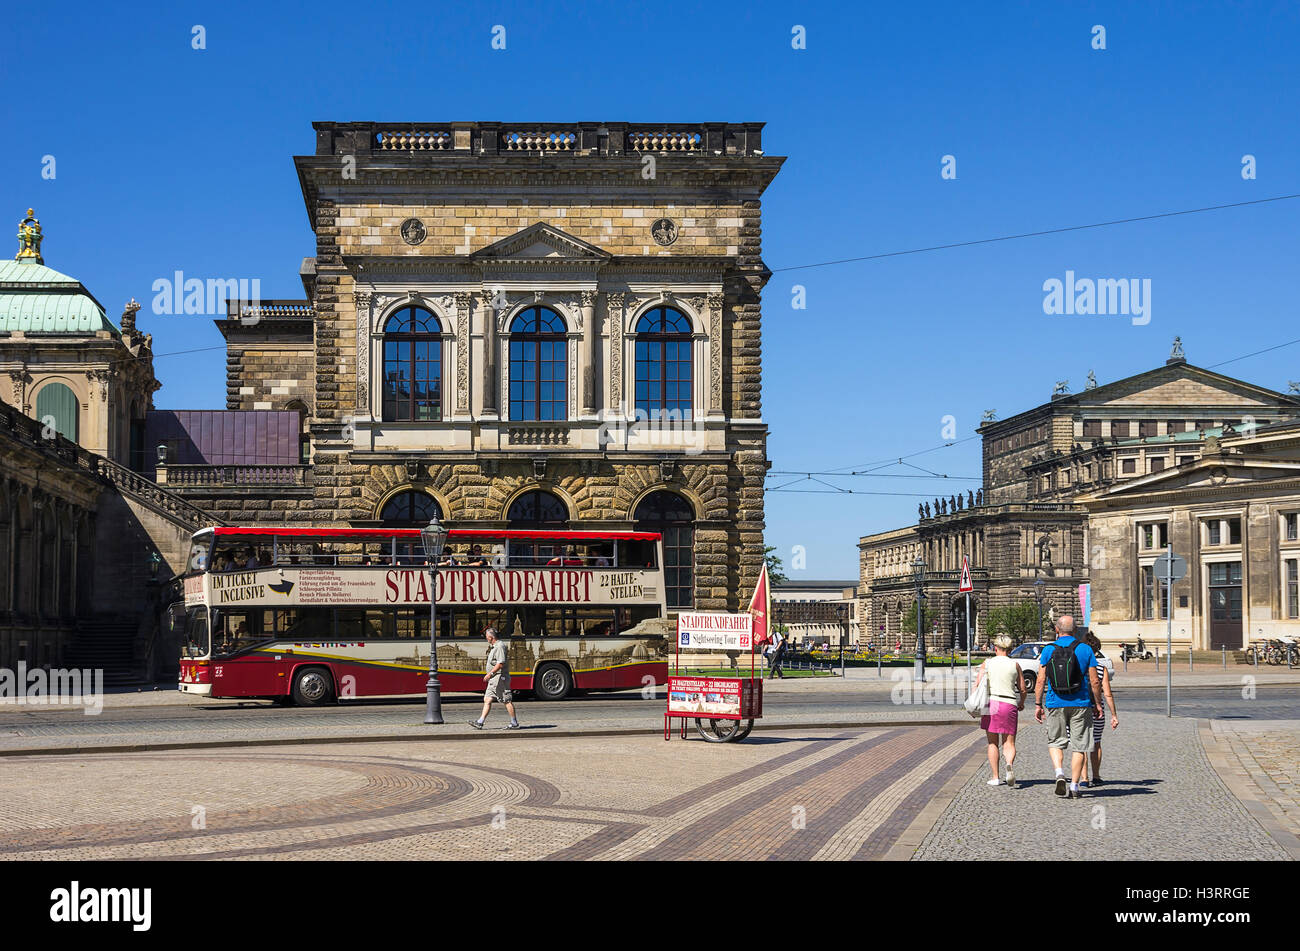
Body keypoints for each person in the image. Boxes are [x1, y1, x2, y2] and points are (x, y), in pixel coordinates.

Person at [1033, 615, 1103, 799]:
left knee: (1055, 741)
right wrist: (1097, 703)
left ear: (1057, 629)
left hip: (1055, 702)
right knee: (1079, 745)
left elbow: (1040, 680)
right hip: (1081, 703)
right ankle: (1074, 786)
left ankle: (1059, 774)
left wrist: (1038, 704)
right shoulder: (1085, 649)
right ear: (1075, 630)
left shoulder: (1048, 650)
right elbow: (1095, 681)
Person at [971, 633, 1026, 787]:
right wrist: (1021, 702)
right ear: (1010, 649)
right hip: (1009, 704)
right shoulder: (1015, 665)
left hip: (991, 704)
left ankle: (995, 777)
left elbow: (977, 685)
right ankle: (1009, 764)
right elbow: (1022, 688)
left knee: (992, 742)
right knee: (1009, 743)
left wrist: (974, 704)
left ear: (995, 648)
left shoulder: (987, 663)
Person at [1084, 631, 1119, 785]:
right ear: (1096, 650)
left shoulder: (1078, 666)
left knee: (1081, 744)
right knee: (1096, 742)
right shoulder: (1101, 668)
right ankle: (1096, 776)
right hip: (1098, 710)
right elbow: (1108, 694)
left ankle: (1084, 778)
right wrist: (1114, 715)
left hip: (1081, 707)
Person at [470, 627, 520, 730]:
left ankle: (514, 722)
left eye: (486, 637)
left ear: (491, 637)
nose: (486, 639)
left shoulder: (500, 646)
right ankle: (480, 722)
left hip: (499, 677)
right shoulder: (494, 646)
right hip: (494, 679)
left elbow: (500, 663)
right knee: (487, 699)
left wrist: (490, 674)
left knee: (506, 700)